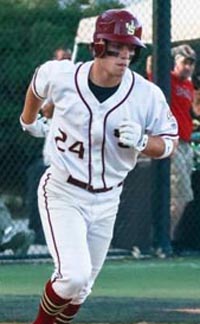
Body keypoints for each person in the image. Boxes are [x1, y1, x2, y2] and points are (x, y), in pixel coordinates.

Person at [20, 9, 178, 324]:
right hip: (63, 191)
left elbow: (170, 142)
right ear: (98, 46)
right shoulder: (64, 75)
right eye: (117, 46)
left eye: (131, 48)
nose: (125, 55)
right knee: (72, 277)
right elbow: (38, 83)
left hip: (108, 199)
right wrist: (28, 120)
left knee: (81, 290)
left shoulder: (146, 95)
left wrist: (145, 142)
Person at [146, 44, 196, 253]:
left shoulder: (189, 86)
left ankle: (168, 237)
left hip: (186, 144)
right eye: (185, 62)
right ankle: (163, 239)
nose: (188, 68)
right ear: (175, 62)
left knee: (185, 196)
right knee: (179, 195)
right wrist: (168, 49)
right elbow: (150, 63)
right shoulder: (167, 79)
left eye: (191, 64)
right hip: (171, 142)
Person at [27, 47, 71, 244]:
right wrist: (57, 94)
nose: (65, 62)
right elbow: (46, 111)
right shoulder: (49, 84)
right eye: (61, 59)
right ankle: (40, 234)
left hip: (73, 154)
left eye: (68, 59)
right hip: (52, 153)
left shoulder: (80, 84)